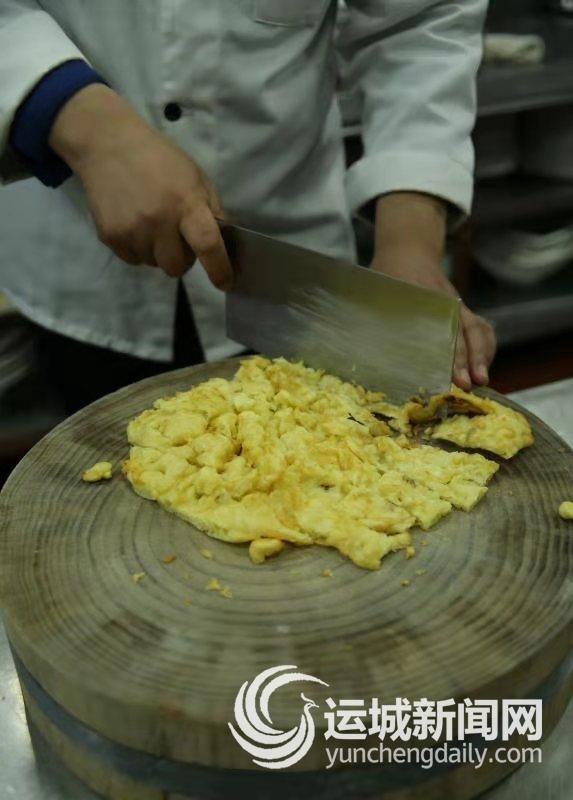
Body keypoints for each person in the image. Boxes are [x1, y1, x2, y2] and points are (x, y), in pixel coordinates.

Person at [0, 0, 495, 414]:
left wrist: (411, 243)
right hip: (79, 251)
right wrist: (91, 130)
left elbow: (419, 21)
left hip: (293, 264)